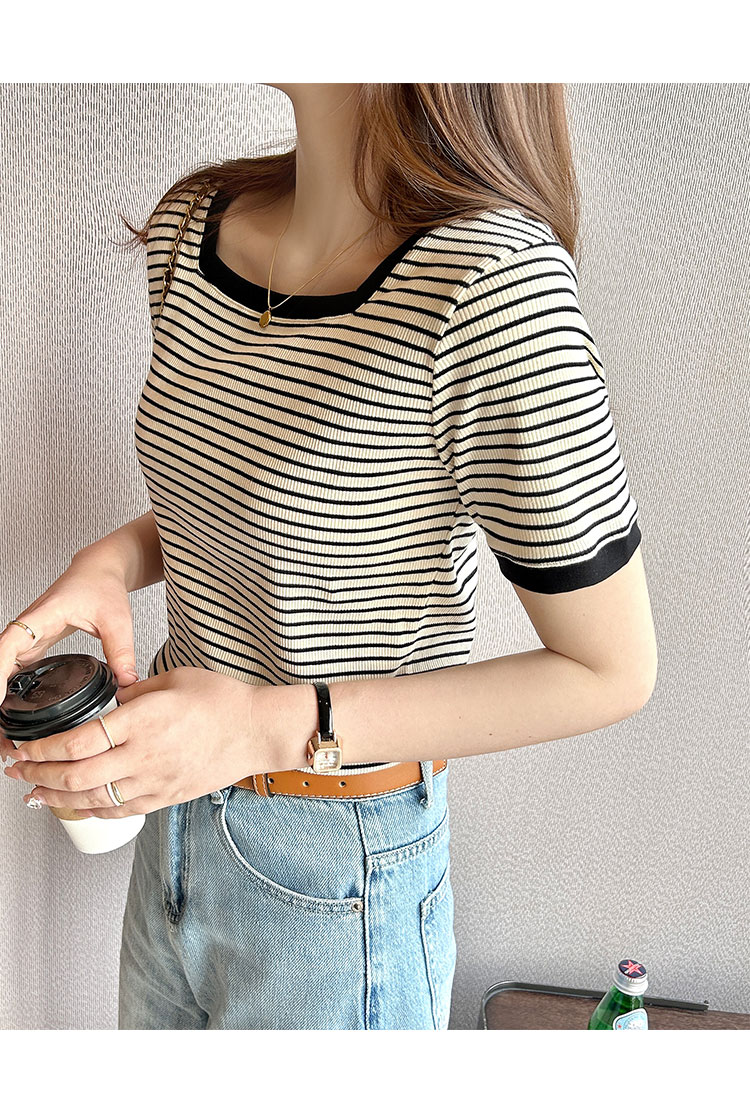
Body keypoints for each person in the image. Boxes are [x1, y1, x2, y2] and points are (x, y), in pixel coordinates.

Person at [0, 84, 657, 1030]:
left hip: (340, 876)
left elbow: (611, 669)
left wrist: (262, 727)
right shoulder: (193, 227)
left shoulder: (493, 286)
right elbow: (266, 503)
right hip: (174, 829)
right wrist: (109, 560)